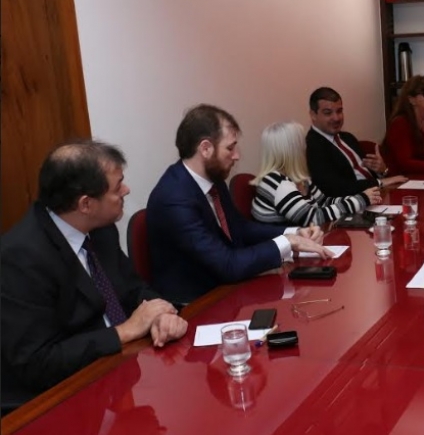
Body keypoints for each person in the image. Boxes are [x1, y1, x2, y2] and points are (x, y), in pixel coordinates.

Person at [1, 140, 188, 406]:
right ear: (86, 204)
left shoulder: (100, 228)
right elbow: (37, 362)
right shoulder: (21, 258)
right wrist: (123, 331)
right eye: (117, 187)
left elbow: (133, 288)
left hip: (120, 371)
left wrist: (160, 314)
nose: (126, 190)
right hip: (57, 397)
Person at [147, 104, 331, 303]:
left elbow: (240, 228)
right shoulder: (174, 199)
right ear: (205, 148)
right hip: (197, 303)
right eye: (230, 148)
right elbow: (227, 265)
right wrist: (287, 242)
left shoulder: (213, 179)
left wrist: (294, 233)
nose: (237, 155)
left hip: (225, 287)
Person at [252, 121, 381, 225]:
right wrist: (360, 200)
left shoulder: (300, 178)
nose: (305, 147)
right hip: (286, 248)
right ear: (292, 151)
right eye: (301, 143)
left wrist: (363, 197)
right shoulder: (277, 183)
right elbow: (313, 217)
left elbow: (324, 202)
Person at [305, 86, 406, 197]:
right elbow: (335, 188)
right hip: (355, 202)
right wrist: (379, 182)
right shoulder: (313, 146)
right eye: (328, 113)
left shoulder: (347, 138)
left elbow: (367, 173)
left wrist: (382, 171)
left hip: (378, 196)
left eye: (339, 111)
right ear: (313, 115)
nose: (336, 118)